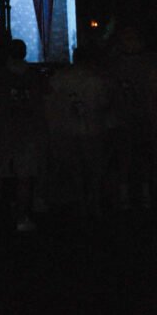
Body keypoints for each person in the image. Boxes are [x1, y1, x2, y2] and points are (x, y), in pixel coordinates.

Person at [0, 39, 46, 233]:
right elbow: (41, 104)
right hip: (27, 132)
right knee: (24, 177)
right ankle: (22, 218)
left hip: (1, 132)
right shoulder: (33, 76)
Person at [47, 44, 112, 216]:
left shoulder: (61, 76)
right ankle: (95, 200)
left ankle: (81, 199)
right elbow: (105, 102)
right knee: (94, 167)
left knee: (75, 166)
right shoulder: (97, 78)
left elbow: (50, 99)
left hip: (68, 128)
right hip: (93, 128)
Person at [108, 26, 157, 210]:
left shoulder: (149, 61)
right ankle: (126, 194)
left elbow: (152, 91)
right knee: (125, 156)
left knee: (143, 155)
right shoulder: (116, 62)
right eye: (126, 39)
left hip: (142, 116)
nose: (129, 43)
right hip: (124, 117)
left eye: (132, 39)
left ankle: (143, 192)